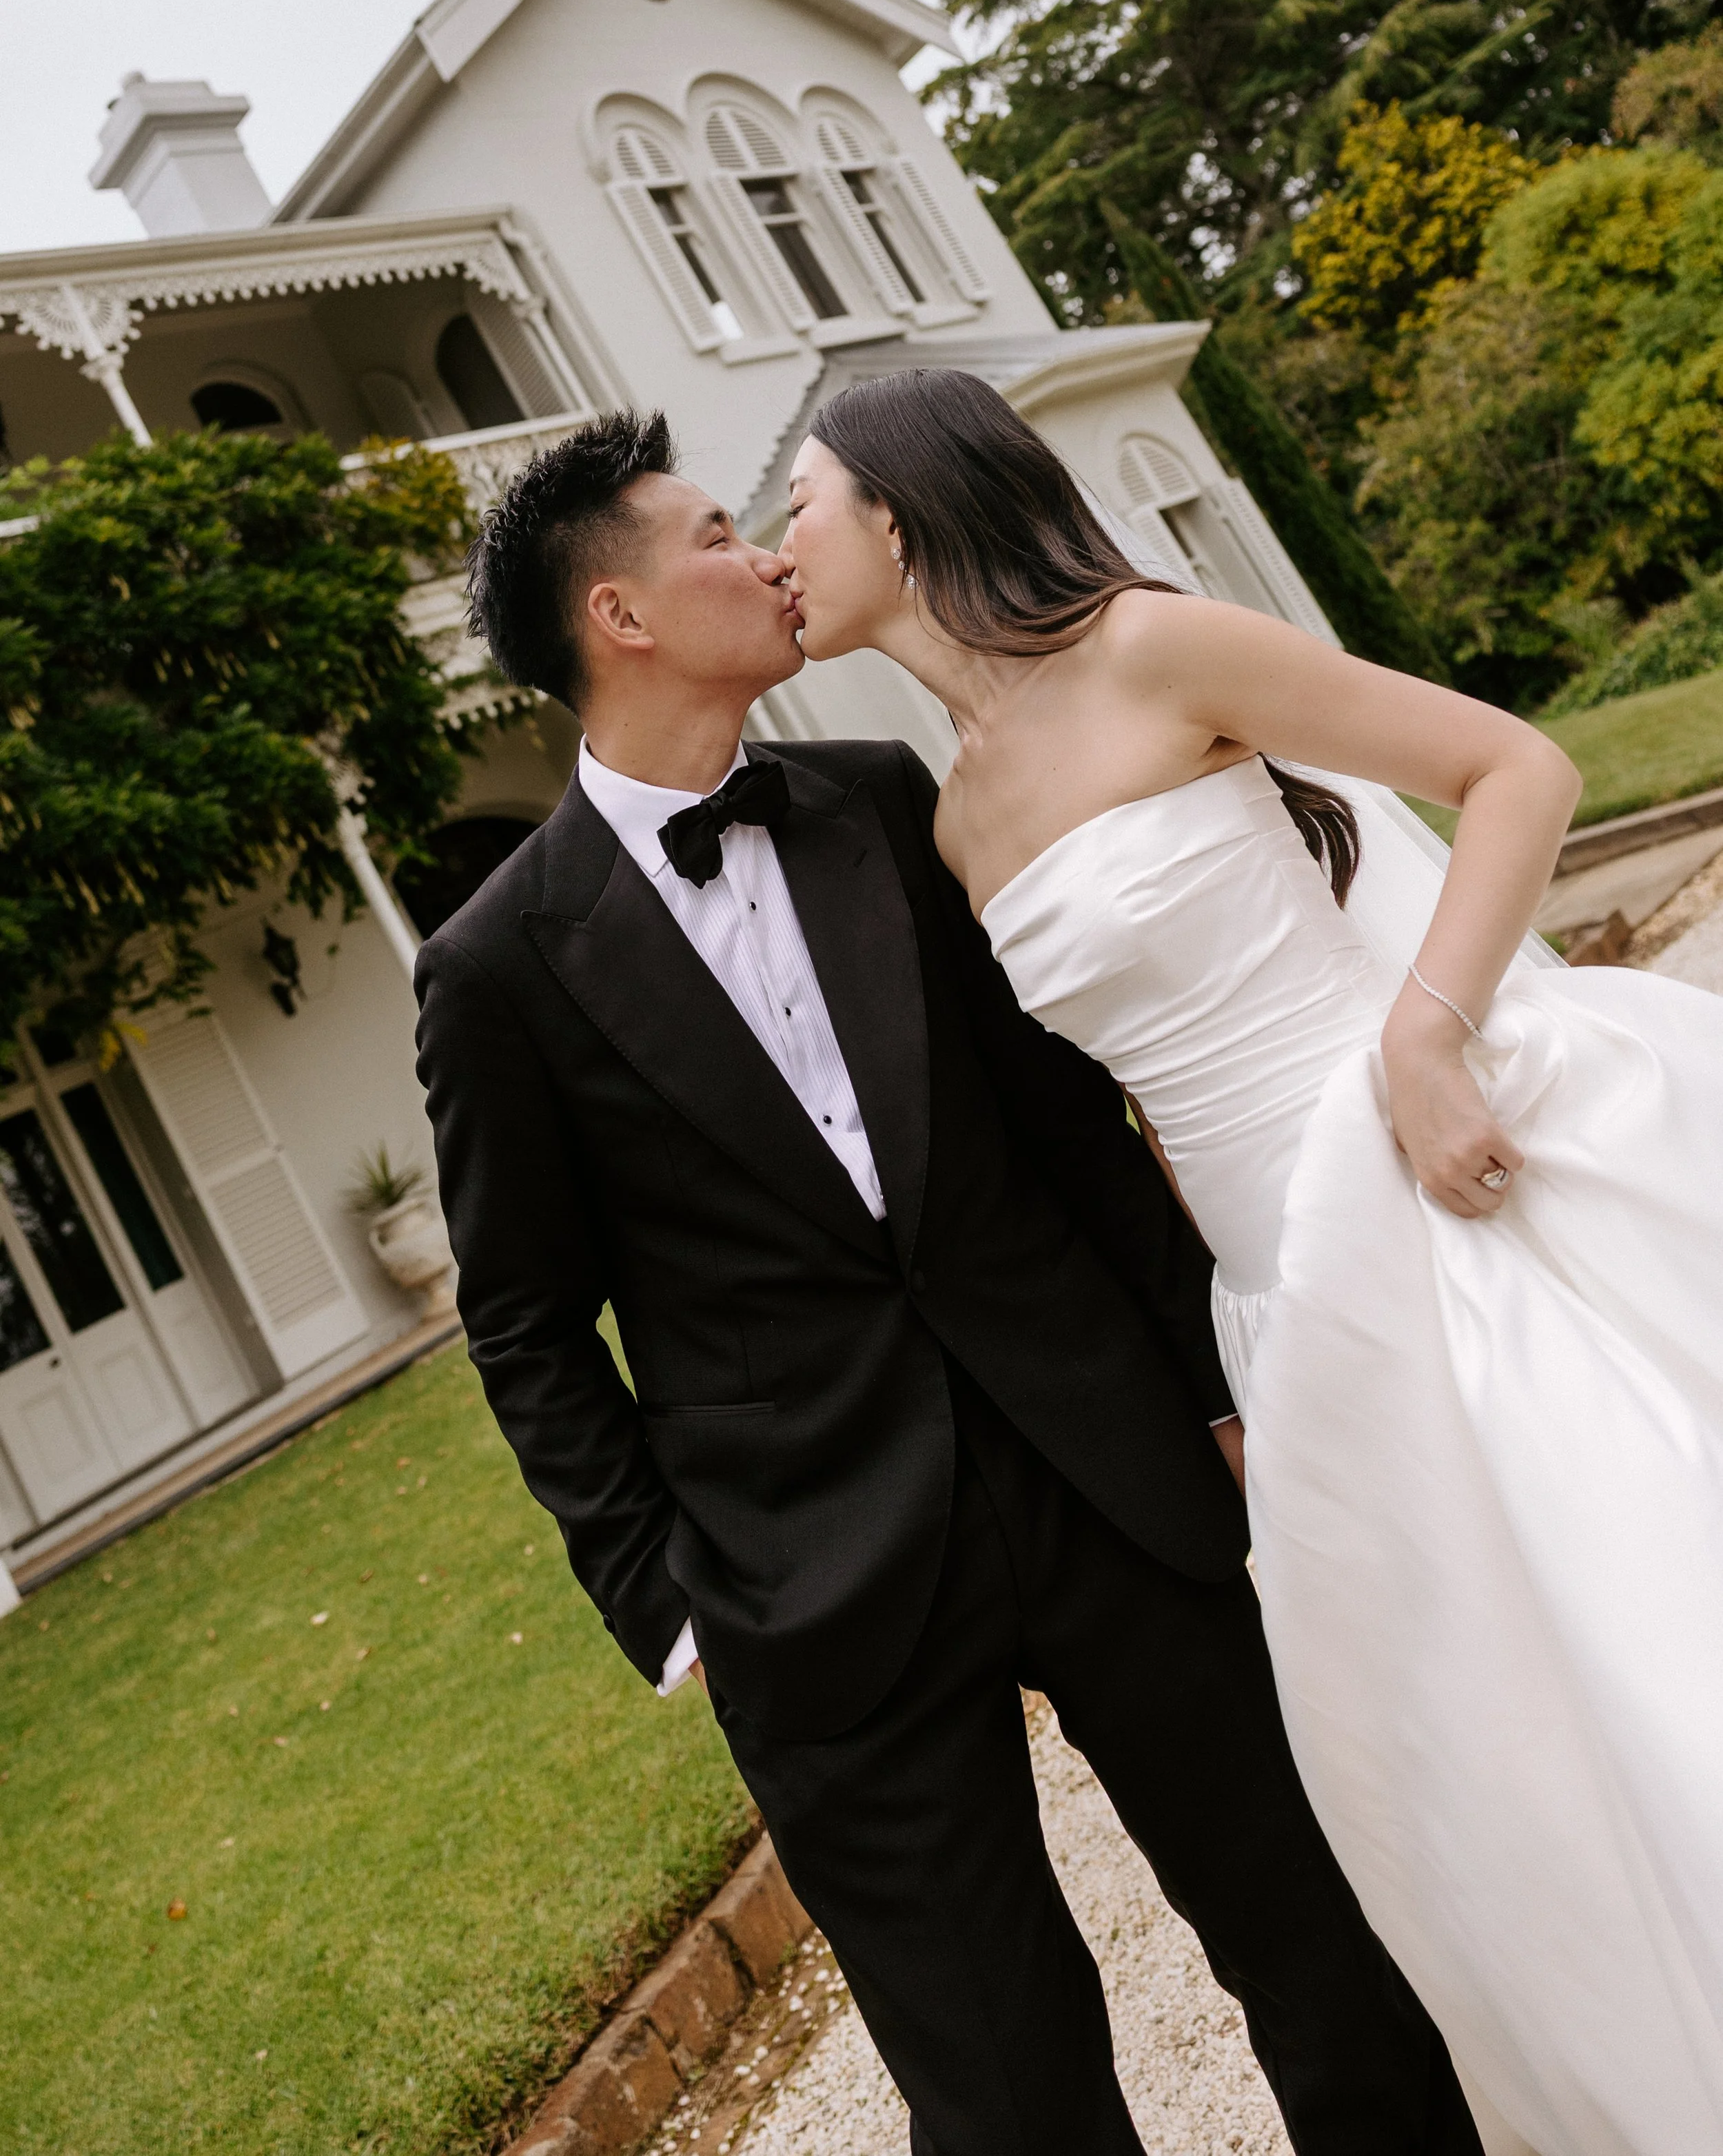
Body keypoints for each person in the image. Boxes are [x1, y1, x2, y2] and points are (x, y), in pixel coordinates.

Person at [414, 408, 1485, 2156]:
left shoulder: (878, 804)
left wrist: (1200, 1396)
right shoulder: (495, 967)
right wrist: (671, 1599)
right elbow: (522, 1319)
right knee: (1000, 2082)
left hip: (1097, 1466)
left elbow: (1062, 1125)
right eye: (709, 536)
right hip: (810, 1568)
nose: (762, 554)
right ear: (617, 617)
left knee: (1317, 1937)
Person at [779, 364, 1723, 2156]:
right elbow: (1100, 1117)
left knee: (1631, 1617)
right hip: (1276, 1313)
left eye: (801, 502)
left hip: (1432, 1189)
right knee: (1468, 1761)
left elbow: (1514, 766)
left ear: (897, 513)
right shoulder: (953, 815)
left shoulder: (1149, 648)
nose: (781, 545)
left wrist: (1429, 1040)